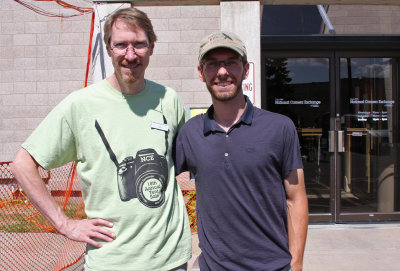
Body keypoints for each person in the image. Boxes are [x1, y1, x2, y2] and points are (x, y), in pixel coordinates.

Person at [11, 7, 192, 271]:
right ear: (108, 47)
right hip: (111, 261)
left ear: (152, 47)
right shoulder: (81, 105)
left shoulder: (170, 99)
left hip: (171, 259)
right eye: (121, 45)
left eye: (139, 44)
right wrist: (64, 224)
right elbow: (22, 164)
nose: (130, 55)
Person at [174, 31, 308, 271]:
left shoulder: (279, 127)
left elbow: (295, 198)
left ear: (245, 70)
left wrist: (296, 264)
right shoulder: (190, 133)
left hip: (273, 266)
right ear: (200, 72)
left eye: (231, 63)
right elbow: (157, 183)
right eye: (213, 64)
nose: (222, 72)